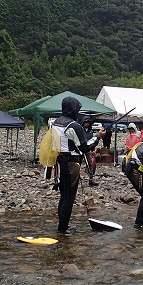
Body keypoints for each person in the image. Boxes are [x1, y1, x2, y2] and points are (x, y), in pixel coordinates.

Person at [54, 98, 105, 233]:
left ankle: (62, 227)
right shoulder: (74, 126)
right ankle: (63, 229)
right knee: (69, 198)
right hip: (71, 164)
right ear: (73, 109)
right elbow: (85, 147)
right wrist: (98, 137)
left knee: (63, 196)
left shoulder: (55, 122)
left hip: (59, 163)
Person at [81, 116, 98, 186]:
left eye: (88, 122)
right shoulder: (80, 129)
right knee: (78, 165)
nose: (87, 124)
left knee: (90, 165)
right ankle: (75, 179)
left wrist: (93, 150)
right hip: (80, 150)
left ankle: (91, 179)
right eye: (85, 122)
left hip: (88, 150)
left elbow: (92, 141)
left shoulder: (90, 131)